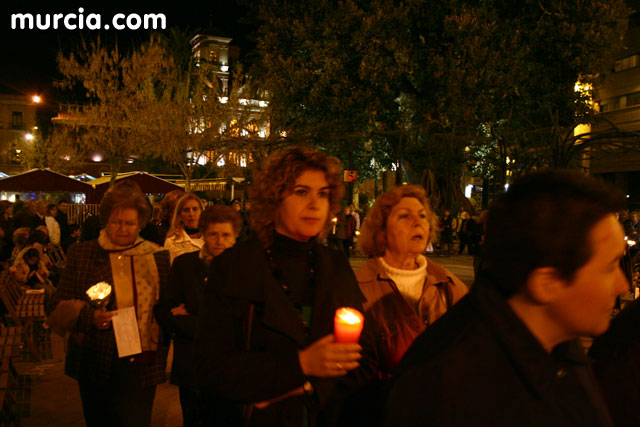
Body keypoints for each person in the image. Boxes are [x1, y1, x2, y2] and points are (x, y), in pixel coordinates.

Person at [385, 169, 627, 426]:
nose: (622, 286)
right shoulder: (452, 388)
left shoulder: (560, 346)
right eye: (609, 267)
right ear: (546, 284)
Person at [196, 146, 367, 427]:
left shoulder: (336, 267)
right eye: (302, 192)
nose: (314, 204)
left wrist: (307, 388)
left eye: (322, 194)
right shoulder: (234, 267)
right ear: (275, 199)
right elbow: (212, 369)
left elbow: (363, 357)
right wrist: (301, 365)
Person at [48, 180, 170, 427]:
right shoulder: (83, 253)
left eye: (130, 223)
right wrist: (89, 317)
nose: (123, 229)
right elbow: (55, 305)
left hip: (142, 361)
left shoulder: (157, 255)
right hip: (95, 357)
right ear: (106, 220)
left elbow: (166, 304)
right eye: (117, 222)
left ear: (141, 224)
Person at [155, 205, 242, 426]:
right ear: (204, 234)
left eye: (226, 235)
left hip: (232, 371)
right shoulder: (185, 265)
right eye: (213, 234)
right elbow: (164, 311)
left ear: (236, 237)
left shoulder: (246, 270)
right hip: (193, 369)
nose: (219, 241)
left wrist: (190, 320)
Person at [164, 193, 204, 264]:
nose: (191, 214)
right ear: (180, 215)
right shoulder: (172, 242)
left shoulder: (210, 237)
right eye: (186, 210)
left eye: (195, 209)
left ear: (201, 211)